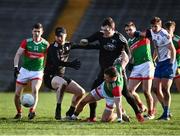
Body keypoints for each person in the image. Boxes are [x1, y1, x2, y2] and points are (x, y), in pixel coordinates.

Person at [80, 17, 144, 122]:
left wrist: (124, 62)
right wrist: (85, 40)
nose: (104, 32)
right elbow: (89, 39)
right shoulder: (100, 34)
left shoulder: (120, 38)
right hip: (104, 72)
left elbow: (128, 53)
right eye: (103, 30)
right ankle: (92, 117)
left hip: (116, 72)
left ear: (112, 29)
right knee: (92, 91)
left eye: (106, 30)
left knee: (126, 93)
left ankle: (138, 114)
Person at [134, 17, 176, 120]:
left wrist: (171, 64)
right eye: (152, 26)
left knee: (165, 89)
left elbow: (173, 50)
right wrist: (153, 60)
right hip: (160, 63)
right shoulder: (152, 32)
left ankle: (166, 114)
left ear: (160, 26)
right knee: (155, 89)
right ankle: (166, 111)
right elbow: (156, 48)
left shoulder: (165, 34)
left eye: (155, 26)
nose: (153, 28)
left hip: (168, 62)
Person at [71, 52, 129, 122]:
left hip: (111, 97)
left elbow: (118, 105)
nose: (104, 79)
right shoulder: (117, 68)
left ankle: (118, 114)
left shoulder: (117, 88)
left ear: (113, 78)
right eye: (105, 77)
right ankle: (73, 117)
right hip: (102, 89)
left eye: (107, 78)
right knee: (83, 101)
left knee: (105, 120)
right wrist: (123, 52)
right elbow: (125, 59)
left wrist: (120, 119)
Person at [43, 27, 86, 120]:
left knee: (81, 92)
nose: (59, 38)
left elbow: (82, 46)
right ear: (55, 37)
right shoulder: (52, 48)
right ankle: (58, 110)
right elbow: (56, 62)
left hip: (60, 76)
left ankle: (70, 112)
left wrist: (99, 45)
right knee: (62, 83)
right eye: (57, 36)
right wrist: (71, 64)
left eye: (61, 36)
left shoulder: (68, 44)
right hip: (49, 77)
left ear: (65, 35)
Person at [13, 23, 49, 119]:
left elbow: (49, 58)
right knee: (17, 94)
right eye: (35, 31)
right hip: (24, 70)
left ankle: (32, 111)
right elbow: (18, 54)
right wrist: (16, 67)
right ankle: (19, 112)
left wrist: (46, 69)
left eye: (38, 31)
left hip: (37, 71)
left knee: (35, 90)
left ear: (42, 32)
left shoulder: (45, 44)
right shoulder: (26, 42)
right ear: (32, 31)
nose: (37, 33)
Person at [124, 21, 155, 120]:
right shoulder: (129, 42)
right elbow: (131, 56)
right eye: (126, 30)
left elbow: (150, 33)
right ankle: (141, 106)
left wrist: (138, 33)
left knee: (146, 91)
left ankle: (151, 113)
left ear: (134, 28)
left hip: (147, 64)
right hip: (137, 66)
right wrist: (130, 63)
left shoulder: (141, 35)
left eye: (130, 29)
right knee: (129, 90)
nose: (128, 32)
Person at [164, 21, 180, 92]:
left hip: (177, 65)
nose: (167, 31)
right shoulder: (163, 39)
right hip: (165, 65)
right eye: (166, 29)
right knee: (161, 88)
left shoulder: (177, 39)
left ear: (173, 29)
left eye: (169, 29)